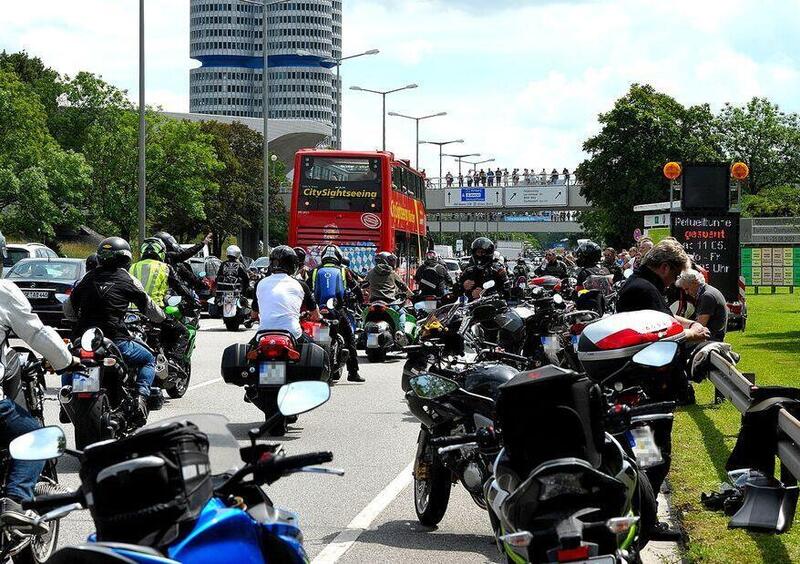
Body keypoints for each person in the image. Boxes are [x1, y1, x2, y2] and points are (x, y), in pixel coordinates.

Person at [616, 239, 709, 540]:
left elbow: (663, 317)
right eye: (673, 274)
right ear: (665, 267)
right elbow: (660, 332)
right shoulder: (644, 289)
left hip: (643, 387)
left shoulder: (641, 285)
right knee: (652, 457)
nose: (673, 282)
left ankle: (644, 515)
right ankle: (647, 521)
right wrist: (692, 333)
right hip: (650, 391)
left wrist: (687, 322)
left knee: (649, 455)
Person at [0, 233, 80, 530]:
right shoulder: (4, 290)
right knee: (36, 436)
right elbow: (35, 332)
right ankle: (15, 500)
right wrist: (66, 360)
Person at [68, 237, 165, 423]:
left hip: (84, 339)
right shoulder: (127, 279)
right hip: (116, 340)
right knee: (148, 359)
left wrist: (78, 320)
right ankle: (141, 397)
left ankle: (68, 398)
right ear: (125, 258)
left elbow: (69, 308)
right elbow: (150, 308)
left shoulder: (87, 278)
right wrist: (162, 318)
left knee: (71, 361)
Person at [129, 238, 195, 357]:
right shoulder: (165, 267)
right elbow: (180, 287)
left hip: (130, 314)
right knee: (183, 332)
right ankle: (174, 362)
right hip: (155, 312)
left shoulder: (132, 267)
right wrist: (192, 301)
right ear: (161, 252)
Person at [309, 245, 363, 382]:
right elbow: (356, 288)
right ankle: (353, 373)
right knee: (350, 338)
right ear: (338, 258)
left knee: (310, 339)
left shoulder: (315, 271)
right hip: (337, 310)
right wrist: (360, 301)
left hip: (318, 311)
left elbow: (306, 288)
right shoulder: (344, 271)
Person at [676, 270, 728, 342]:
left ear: (695, 282)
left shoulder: (707, 296)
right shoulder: (708, 291)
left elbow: (700, 325)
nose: (686, 293)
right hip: (713, 336)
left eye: (687, 289)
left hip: (711, 339)